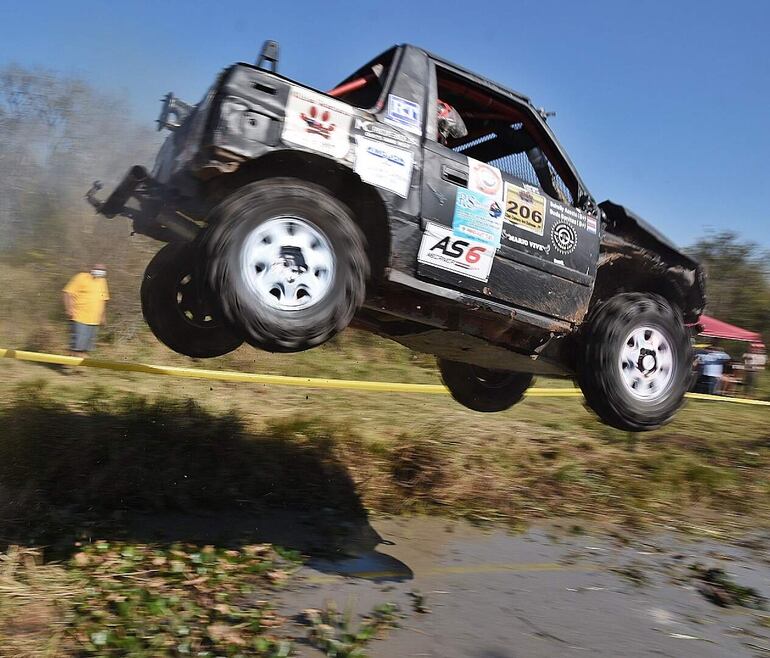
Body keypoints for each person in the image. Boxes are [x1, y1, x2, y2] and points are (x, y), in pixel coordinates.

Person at [62, 264, 110, 357]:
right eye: (98, 269)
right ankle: (73, 366)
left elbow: (103, 300)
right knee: (77, 346)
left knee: (87, 347)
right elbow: (67, 293)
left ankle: (73, 364)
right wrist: (69, 309)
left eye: (103, 270)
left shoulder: (102, 281)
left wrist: (103, 317)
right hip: (79, 317)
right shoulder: (81, 277)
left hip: (94, 320)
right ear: (92, 269)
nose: (100, 271)